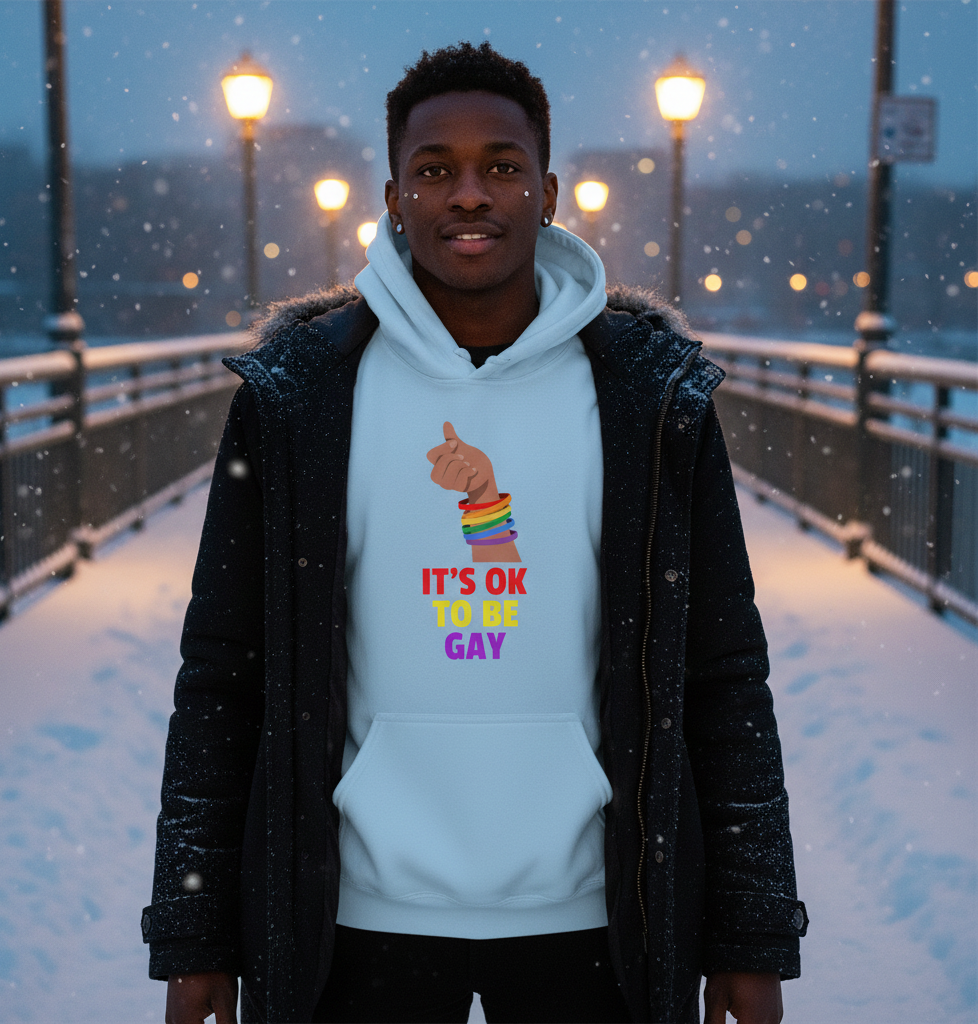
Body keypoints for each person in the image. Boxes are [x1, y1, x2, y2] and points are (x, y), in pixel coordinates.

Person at [143, 41, 807, 1024]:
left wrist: (750, 936)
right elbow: (225, 671)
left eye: (500, 165)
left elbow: (720, 674)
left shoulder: (648, 399)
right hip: (354, 921)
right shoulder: (301, 397)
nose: (468, 193)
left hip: (597, 917)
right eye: (434, 169)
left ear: (548, 190)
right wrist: (194, 932)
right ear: (391, 195)